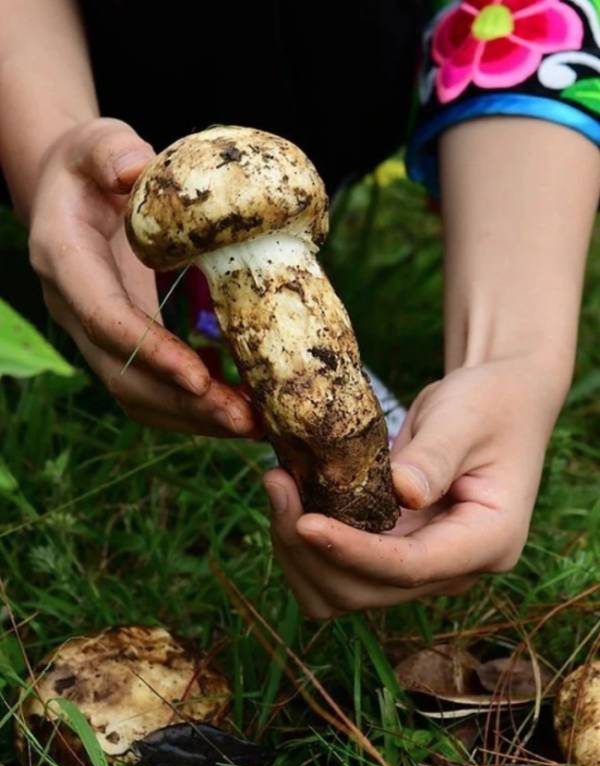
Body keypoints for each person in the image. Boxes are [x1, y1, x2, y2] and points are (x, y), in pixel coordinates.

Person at [1, 0, 599, 619]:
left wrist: (515, 357)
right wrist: (44, 143)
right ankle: (194, 301)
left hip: (336, 83)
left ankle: (249, 351)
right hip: (110, 83)